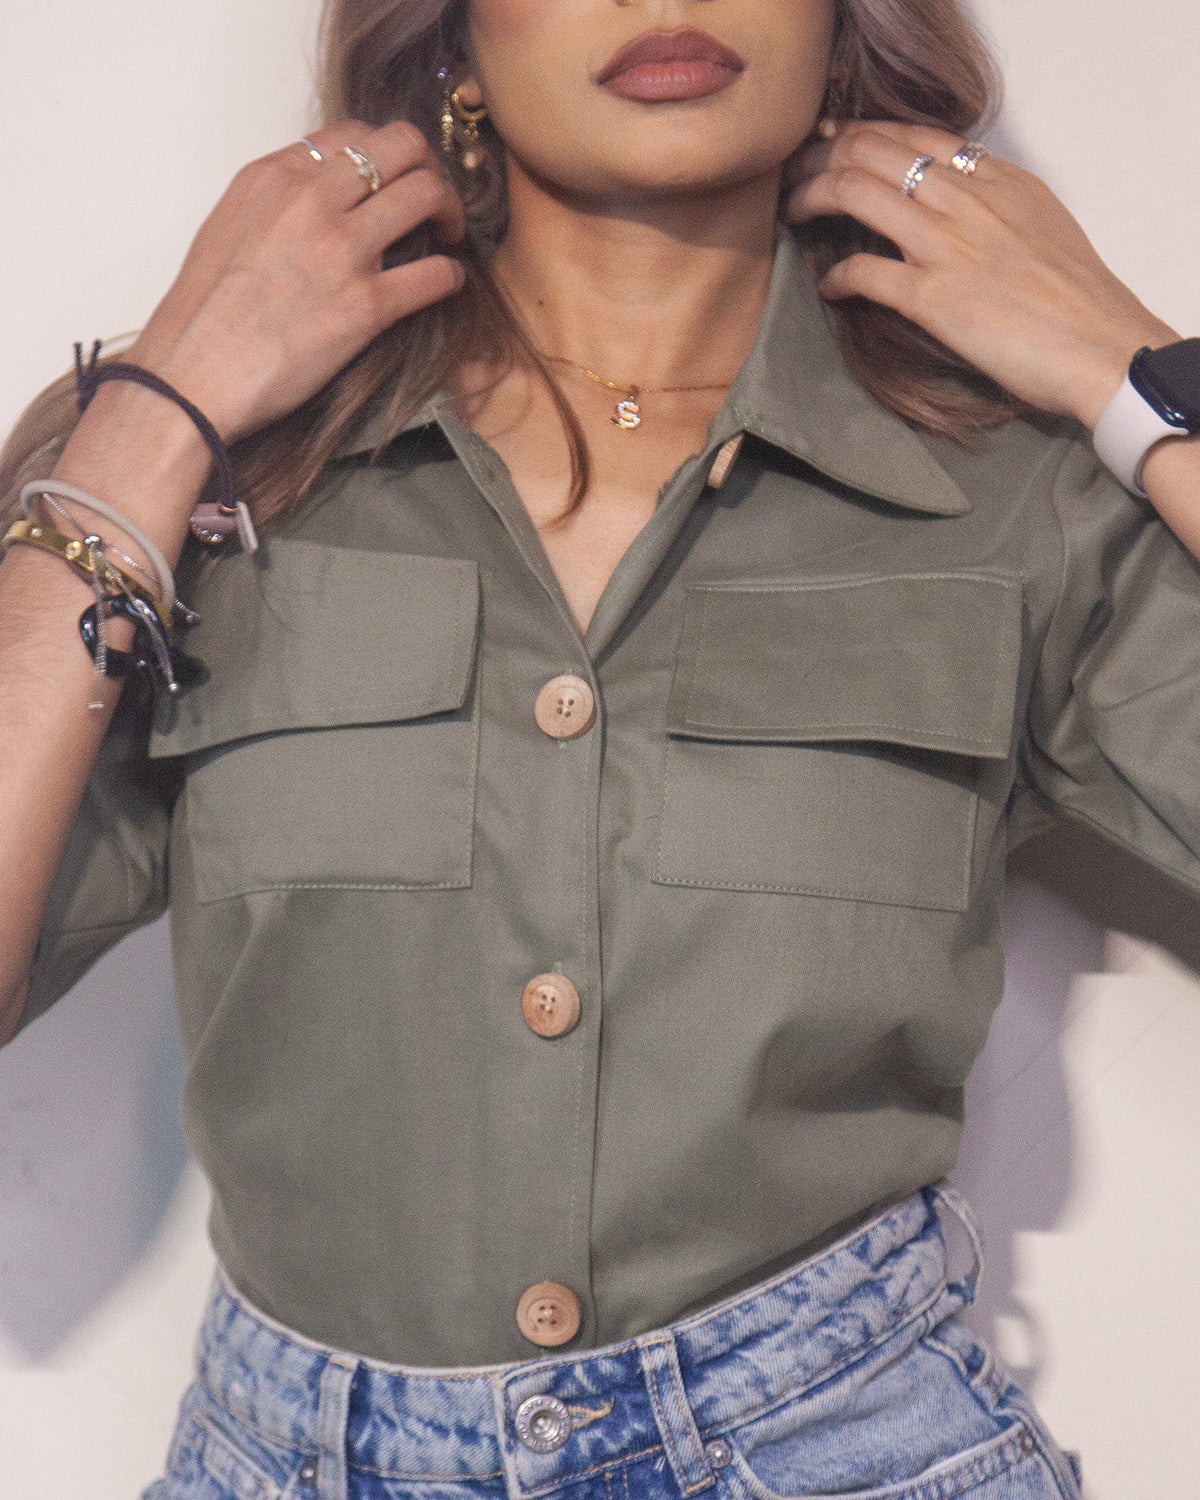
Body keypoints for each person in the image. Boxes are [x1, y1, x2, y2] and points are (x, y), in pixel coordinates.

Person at [2, 0, 1198, 1495]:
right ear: (450, 37)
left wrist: (1139, 373)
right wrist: (151, 418)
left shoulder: (1019, 491)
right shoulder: (211, 469)